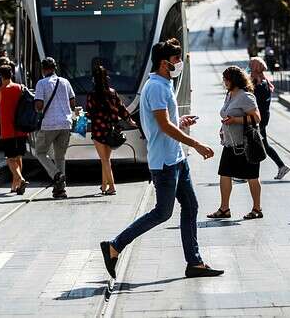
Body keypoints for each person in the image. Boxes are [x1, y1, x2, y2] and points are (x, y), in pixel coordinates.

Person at [100, 38, 224, 279]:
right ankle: (115, 246)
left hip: (176, 158)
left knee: (190, 206)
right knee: (162, 212)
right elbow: (164, 126)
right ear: (164, 63)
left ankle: (194, 263)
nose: (180, 63)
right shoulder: (156, 87)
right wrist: (196, 143)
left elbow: (166, 125)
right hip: (165, 163)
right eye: (177, 59)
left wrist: (181, 123)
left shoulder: (164, 83)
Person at [206, 65, 263, 220]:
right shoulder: (229, 94)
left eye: (226, 79)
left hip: (246, 144)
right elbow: (226, 114)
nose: (224, 81)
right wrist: (222, 128)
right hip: (230, 143)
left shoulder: (245, 96)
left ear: (234, 80)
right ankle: (224, 209)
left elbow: (257, 118)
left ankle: (257, 209)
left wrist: (235, 120)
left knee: (252, 176)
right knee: (224, 174)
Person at [86, 63, 137, 195]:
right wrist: (130, 121)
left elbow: (90, 112)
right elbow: (121, 109)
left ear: (94, 79)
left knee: (104, 160)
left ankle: (112, 187)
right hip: (111, 130)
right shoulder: (113, 93)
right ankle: (104, 186)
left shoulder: (91, 95)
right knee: (106, 160)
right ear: (106, 78)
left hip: (98, 130)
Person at [34, 57, 76, 199]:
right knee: (60, 157)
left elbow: (39, 106)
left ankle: (56, 174)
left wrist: (35, 106)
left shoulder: (41, 83)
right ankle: (60, 190)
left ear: (43, 69)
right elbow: (72, 103)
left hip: (49, 124)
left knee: (40, 152)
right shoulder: (65, 82)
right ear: (55, 68)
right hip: (65, 123)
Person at [0, 65, 28, 194]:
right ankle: (15, 185)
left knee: (10, 158)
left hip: (8, 129)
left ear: (0, 76)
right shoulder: (21, 88)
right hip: (21, 128)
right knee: (18, 157)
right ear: (12, 74)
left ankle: (20, 179)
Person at [250, 57, 290, 180]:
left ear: (255, 68)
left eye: (250, 66)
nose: (249, 68)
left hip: (258, 120)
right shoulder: (264, 81)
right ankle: (281, 166)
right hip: (262, 118)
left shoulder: (259, 84)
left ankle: (247, 173)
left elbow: (252, 102)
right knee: (263, 144)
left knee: (252, 144)